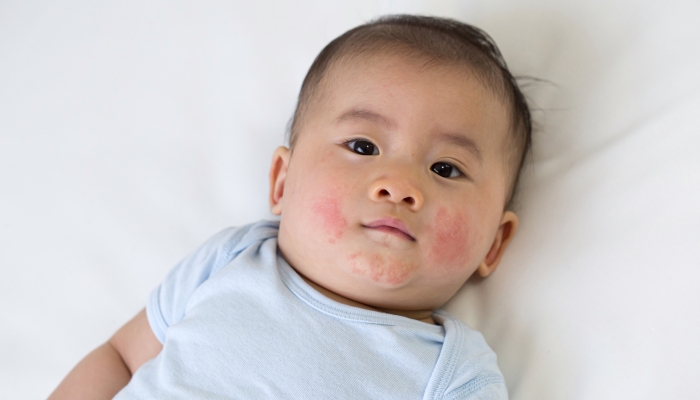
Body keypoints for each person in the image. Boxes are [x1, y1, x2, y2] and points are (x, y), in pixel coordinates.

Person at [49, 14, 531, 399]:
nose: (399, 186)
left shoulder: (452, 376)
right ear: (282, 181)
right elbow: (122, 357)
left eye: (445, 169)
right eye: (363, 147)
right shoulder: (233, 259)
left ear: (494, 242)